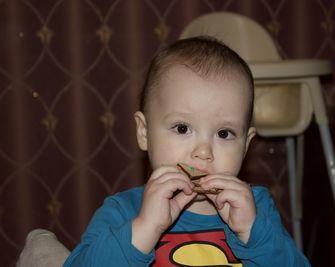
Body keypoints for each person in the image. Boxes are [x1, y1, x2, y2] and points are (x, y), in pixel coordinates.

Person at [64, 36, 310, 266]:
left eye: (224, 133)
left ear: (245, 145)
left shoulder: (255, 210)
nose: (203, 152)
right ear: (144, 132)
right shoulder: (124, 211)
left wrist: (254, 235)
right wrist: (144, 229)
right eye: (182, 128)